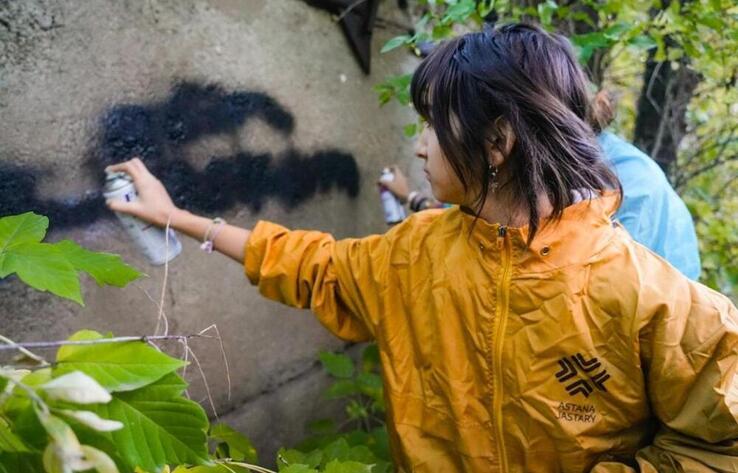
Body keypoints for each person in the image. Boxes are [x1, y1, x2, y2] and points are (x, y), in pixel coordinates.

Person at [106, 23, 738, 473]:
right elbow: (311, 264)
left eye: (433, 124)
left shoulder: (645, 291)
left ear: (497, 143)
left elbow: (720, 442)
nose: (419, 146)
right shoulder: (415, 251)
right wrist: (177, 217)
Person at [382, 93, 702, 280]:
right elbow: (474, 222)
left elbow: (609, 288)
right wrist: (410, 196)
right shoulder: (567, 163)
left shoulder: (623, 181)